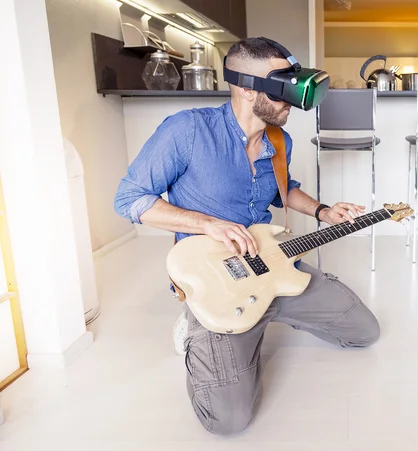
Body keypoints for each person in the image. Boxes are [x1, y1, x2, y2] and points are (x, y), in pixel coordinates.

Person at [113, 37, 380, 436]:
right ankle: (195, 331)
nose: (291, 96)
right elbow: (129, 199)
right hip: (217, 276)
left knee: (365, 332)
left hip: (270, 260)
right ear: (245, 87)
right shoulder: (187, 131)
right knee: (228, 422)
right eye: (282, 85)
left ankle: (271, 309)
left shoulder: (279, 140)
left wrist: (324, 211)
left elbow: (282, 190)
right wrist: (208, 224)